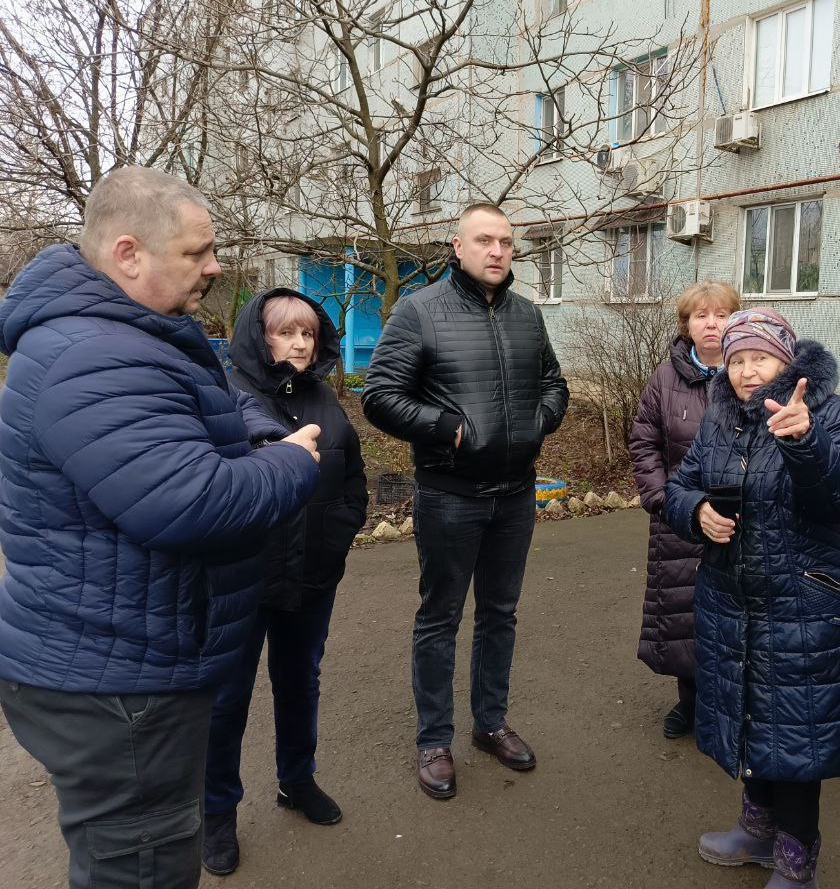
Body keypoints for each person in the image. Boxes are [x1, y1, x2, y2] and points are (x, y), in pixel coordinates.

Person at [0, 166, 320, 889]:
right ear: (127, 254)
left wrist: (262, 432)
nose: (216, 266)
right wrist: (292, 462)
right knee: (142, 869)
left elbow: (209, 401)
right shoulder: (92, 355)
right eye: (197, 252)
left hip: (121, 660)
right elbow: (190, 500)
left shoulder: (135, 332)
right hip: (118, 687)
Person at [362, 202, 569, 800]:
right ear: (457, 246)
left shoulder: (528, 315)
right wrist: (445, 427)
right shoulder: (419, 310)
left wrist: (541, 418)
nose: (498, 251)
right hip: (450, 494)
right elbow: (380, 395)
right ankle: (434, 739)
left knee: (500, 614)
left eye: (506, 241)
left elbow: (554, 382)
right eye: (485, 240)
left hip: (515, 494)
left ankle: (491, 724)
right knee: (440, 618)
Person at [665, 307, 840, 889]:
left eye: (759, 357)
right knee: (753, 719)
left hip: (803, 604)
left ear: (787, 358)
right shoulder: (720, 419)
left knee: (797, 736)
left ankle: (796, 863)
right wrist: (697, 512)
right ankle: (757, 831)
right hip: (731, 600)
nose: (747, 371)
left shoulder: (831, 412)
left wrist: (807, 442)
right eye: (736, 360)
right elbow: (681, 486)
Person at [201, 289, 368, 876]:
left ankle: (297, 781)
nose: (300, 344)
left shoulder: (328, 401)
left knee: (300, 684)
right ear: (259, 337)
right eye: (285, 332)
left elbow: (352, 488)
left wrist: (336, 544)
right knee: (227, 703)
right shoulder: (225, 400)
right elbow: (209, 491)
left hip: (311, 582)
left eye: (308, 334)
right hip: (240, 581)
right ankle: (216, 813)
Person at [628, 279, 740, 739]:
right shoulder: (665, 377)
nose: (711, 323)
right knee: (681, 614)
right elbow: (644, 442)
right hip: (679, 518)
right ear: (687, 324)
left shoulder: (752, 370)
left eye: (721, 314)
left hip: (737, 520)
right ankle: (688, 704)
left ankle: (728, 707)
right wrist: (662, 499)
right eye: (701, 315)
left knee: (734, 613)